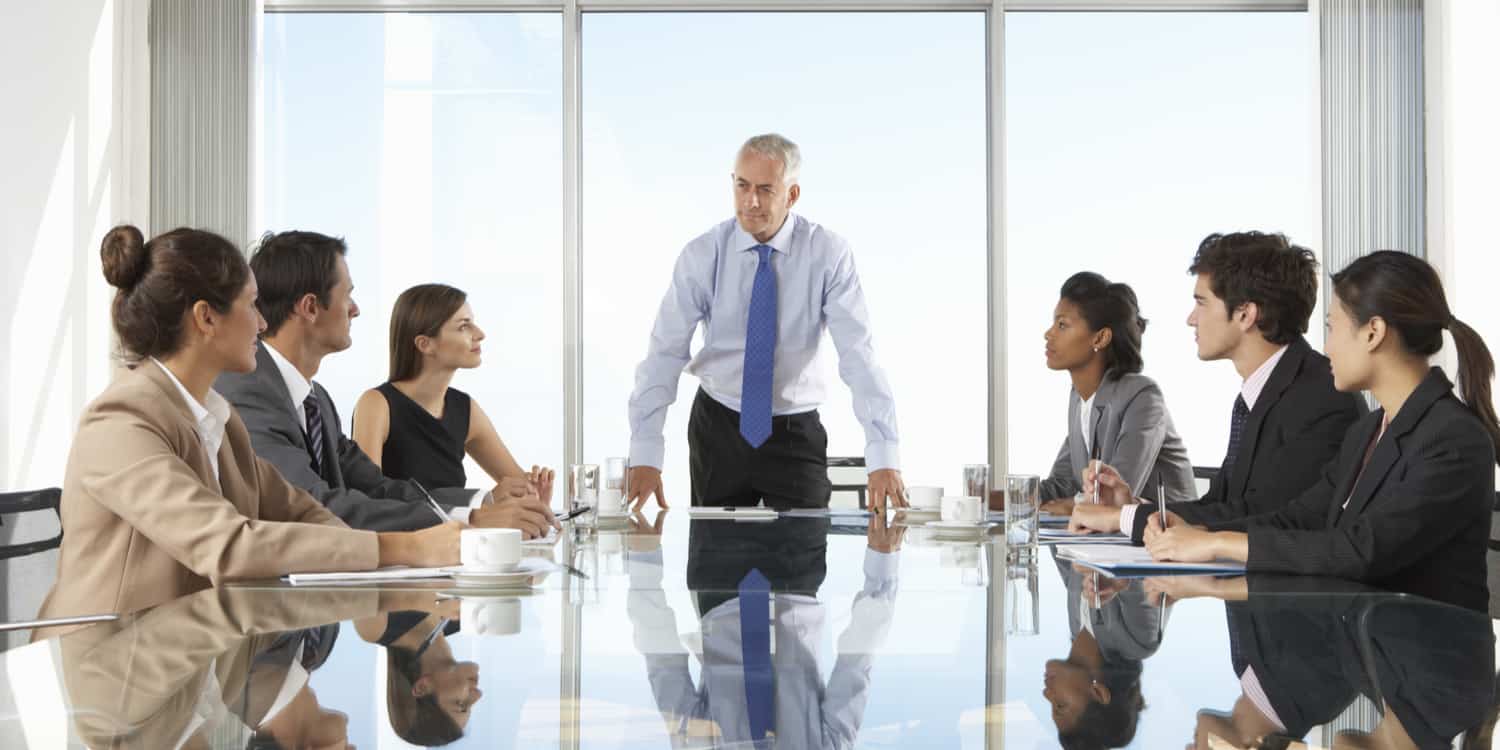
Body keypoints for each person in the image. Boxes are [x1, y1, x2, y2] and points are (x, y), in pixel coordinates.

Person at [34, 226, 459, 629]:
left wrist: (425, 551)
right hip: (107, 674)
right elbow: (230, 545)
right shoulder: (121, 422)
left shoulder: (217, 417)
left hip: (190, 660)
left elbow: (301, 510)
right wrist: (406, 548)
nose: (261, 322)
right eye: (251, 305)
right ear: (206, 318)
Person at [1139, 251, 1499, 612]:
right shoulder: (1369, 430)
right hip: (1371, 646)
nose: (1326, 348)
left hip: (1429, 658)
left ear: (1373, 332)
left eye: (1331, 328)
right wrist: (1200, 533)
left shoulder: (1453, 439)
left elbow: (1360, 550)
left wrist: (1219, 545)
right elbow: (1301, 517)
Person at [626, 133, 906, 512]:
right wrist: (645, 453)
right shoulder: (703, 253)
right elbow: (664, 352)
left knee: (800, 564)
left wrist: (883, 455)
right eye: (742, 186)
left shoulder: (828, 254)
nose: (750, 201)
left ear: (791, 195)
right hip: (717, 428)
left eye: (765, 189)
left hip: (794, 431)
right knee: (717, 565)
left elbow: (858, 356)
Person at [215, 230, 555, 538]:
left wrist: (483, 503)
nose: (356, 309)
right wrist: (472, 522)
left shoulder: (315, 400)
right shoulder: (249, 392)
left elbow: (378, 489)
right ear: (310, 307)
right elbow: (311, 505)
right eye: (347, 295)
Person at [1070, 232, 1363, 543]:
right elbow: (1221, 507)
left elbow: (1268, 516)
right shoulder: (1262, 392)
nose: (1191, 318)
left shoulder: (1323, 396)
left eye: (1201, 303)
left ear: (1245, 314)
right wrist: (1132, 507)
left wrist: (1126, 518)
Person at [351, 283, 555, 502]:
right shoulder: (376, 404)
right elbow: (368, 498)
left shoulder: (465, 408)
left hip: (457, 536)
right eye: (463, 326)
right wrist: (481, 500)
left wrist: (533, 491)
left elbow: (515, 483)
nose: (480, 334)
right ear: (425, 344)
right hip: (402, 536)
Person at [1038, 271, 1195, 515]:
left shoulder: (1142, 396)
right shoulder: (1079, 399)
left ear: (1100, 338)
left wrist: (1072, 505)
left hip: (1164, 540)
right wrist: (992, 496)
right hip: (1107, 539)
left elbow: (1116, 494)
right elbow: (1063, 485)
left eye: (1062, 325)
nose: (1048, 334)